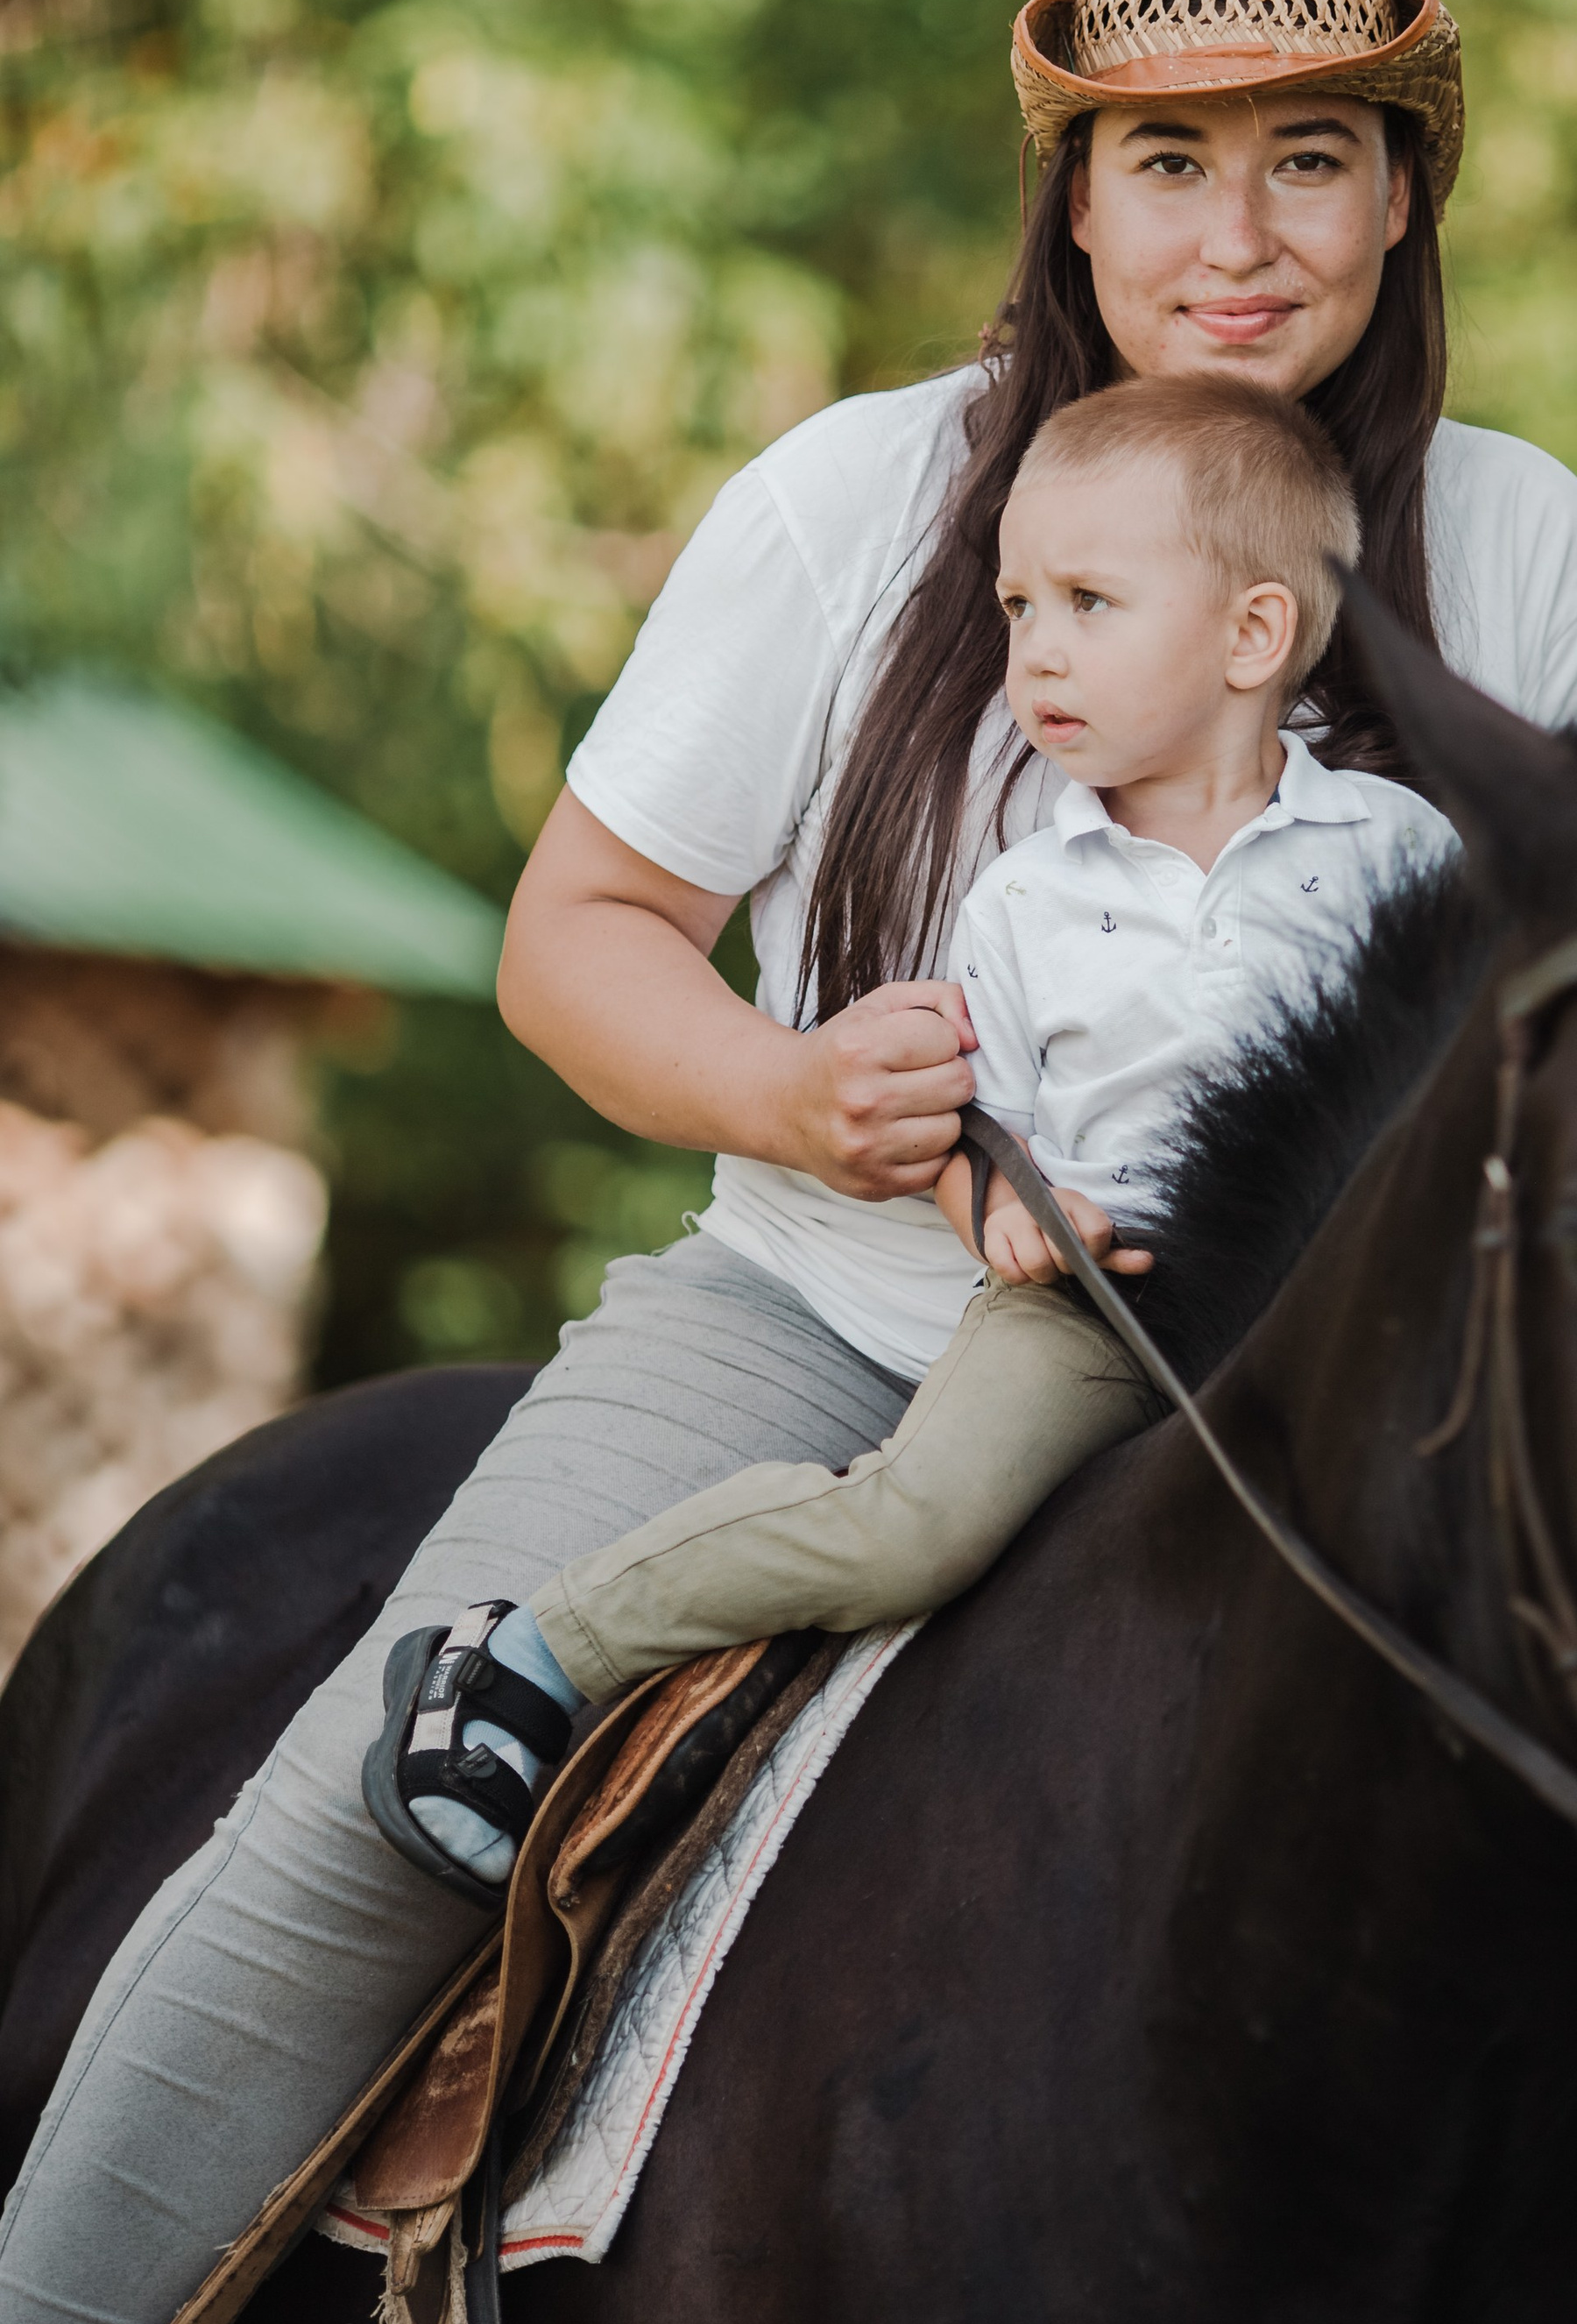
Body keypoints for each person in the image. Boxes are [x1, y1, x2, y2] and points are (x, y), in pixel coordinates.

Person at [0, 0, 1577, 2324]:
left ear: (1406, 193)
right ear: (1075, 194)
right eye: (1166, 159)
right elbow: (577, 934)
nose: (1236, 233)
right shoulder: (860, 502)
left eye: (1308, 156)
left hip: (1317, 1417)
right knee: (344, 1835)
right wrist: (790, 1091)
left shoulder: (1517, 547)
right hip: (829, 1327)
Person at [371, 378, 1459, 1889]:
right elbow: (978, 1124)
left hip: (1336, 1313)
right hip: (1101, 1297)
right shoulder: (1021, 898)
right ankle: (550, 1640)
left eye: (1088, 601)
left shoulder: (1399, 854)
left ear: (1255, 636)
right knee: (918, 1524)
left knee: (1526, 1544)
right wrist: (996, 1208)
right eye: (1018, 606)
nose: (1037, 652)